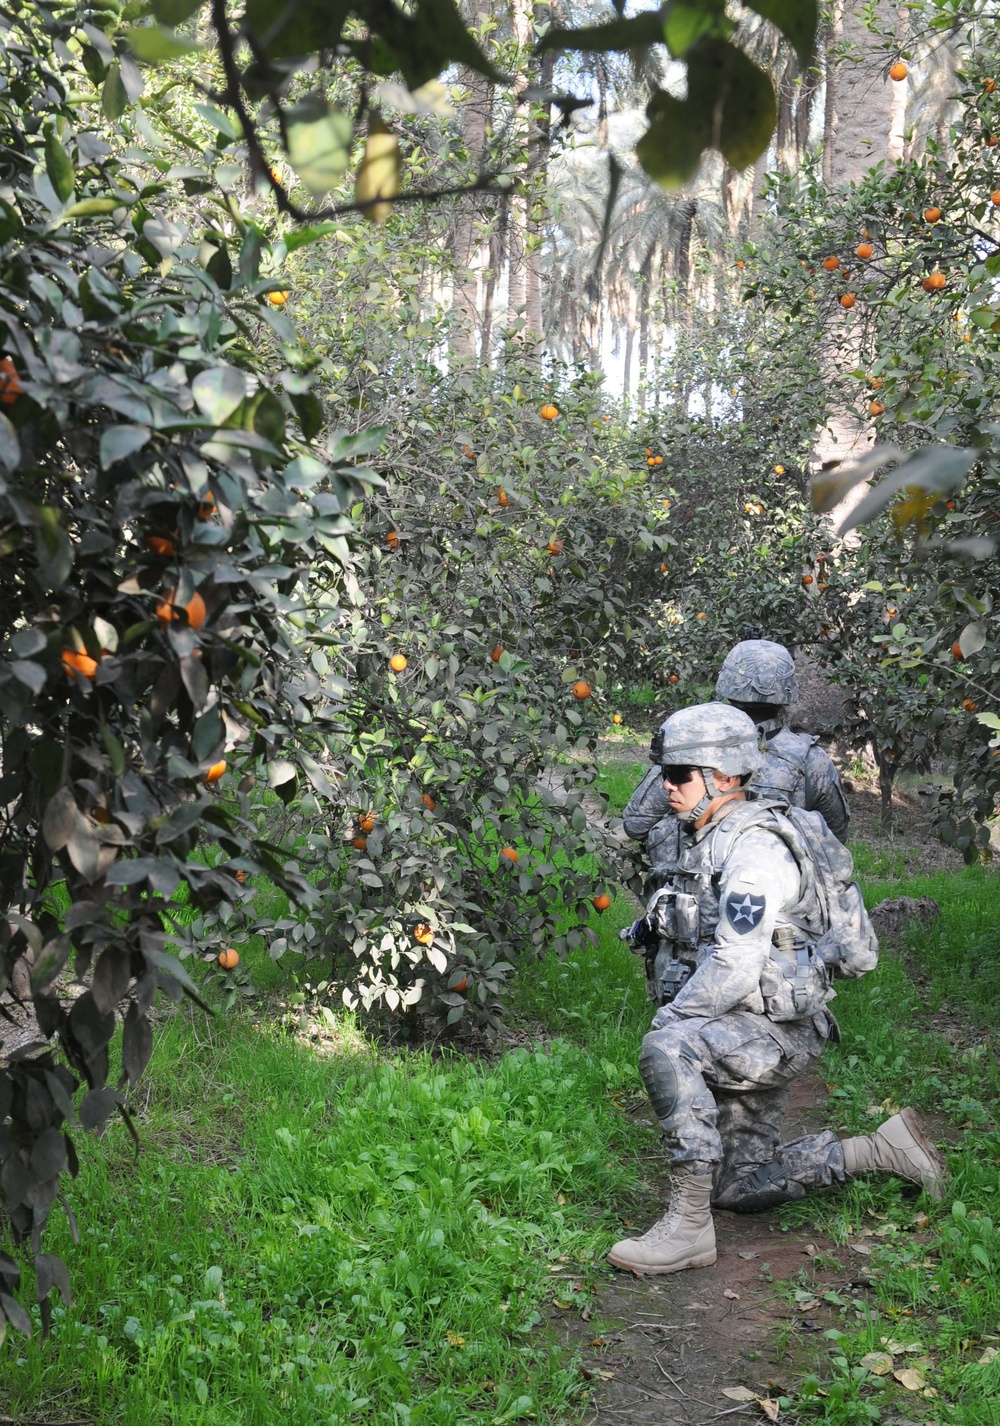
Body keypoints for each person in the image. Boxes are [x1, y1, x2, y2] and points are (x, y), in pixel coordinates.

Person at [607, 703, 948, 1276]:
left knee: (669, 1047)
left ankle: (687, 1231)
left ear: (722, 776)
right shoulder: (709, 832)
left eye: (679, 774)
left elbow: (736, 967)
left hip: (774, 1032)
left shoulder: (755, 852)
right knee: (740, 1185)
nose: (666, 785)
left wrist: (673, 1023)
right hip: (754, 1022)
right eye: (665, 773)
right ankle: (880, 1150)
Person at [624, 642, 850, 903]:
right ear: (787, 688)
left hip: (690, 895)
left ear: (728, 682)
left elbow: (635, 823)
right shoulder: (812, 759)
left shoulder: (696, 745)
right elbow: (834, 835)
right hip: (776, 899)